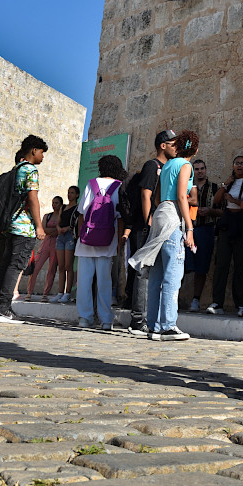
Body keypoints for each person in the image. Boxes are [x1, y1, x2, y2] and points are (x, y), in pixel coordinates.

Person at [129, 130, 196, 341]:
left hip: (160, 213)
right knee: (173, 274)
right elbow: (182, 197)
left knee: (157, 275)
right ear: (194, 148)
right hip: (172, 217)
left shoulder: (167, 165)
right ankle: (168, 325)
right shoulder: (185, 165)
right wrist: (190, 228)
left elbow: (157, 196)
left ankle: (154, 325)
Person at [0, 134, 48, 324]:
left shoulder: (16, 169)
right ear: (34, 150)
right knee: (15, 266)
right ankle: (3, 310)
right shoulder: (30, 170)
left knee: (4, 266)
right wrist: (38, 226)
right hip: (24, 228)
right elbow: (32, 198)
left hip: (10, 226)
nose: (43, 157)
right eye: (42, 152)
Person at [124, 129, 176, 335]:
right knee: (143, 272)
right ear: (163, 145)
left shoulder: (168, 167)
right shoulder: (151, 165)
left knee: (154, 272)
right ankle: (137, 320)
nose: (176, 147)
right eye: (173, 144)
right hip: (146, 226)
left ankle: (150, 318)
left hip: (159, 226)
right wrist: (148, 221)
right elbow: (146, 195)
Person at [75, 155, 127, 330]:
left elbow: (82, 212)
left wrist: (81, 236)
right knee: (105, 281)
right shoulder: (118, 186)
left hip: (87, 239)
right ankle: (106, 319)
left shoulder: (92, 184)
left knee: (84, 281)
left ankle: (85, 317)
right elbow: (120, 217)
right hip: (108, 239)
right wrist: (119, 241)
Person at [206, 155, 243, 315]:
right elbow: (216, 201)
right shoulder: (229, 183)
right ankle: (217, 302)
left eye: (242, 164)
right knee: (221, 264)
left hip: (242, 223)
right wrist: (225, 185)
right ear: (233, 165)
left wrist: (233, 200)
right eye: (237, 163)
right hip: (227, 223)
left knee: (240, 265)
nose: (239, 166)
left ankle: (241, 303)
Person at [185, 159, 222, 311]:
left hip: (206, 229)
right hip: (188, 229)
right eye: (197, 169)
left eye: (202, 168)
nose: (200, 171)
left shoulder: (214, 188)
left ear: (206, 170)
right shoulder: (187, 186)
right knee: (182, 265)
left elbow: (222, 211)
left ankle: (196, 299)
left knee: (202, 267)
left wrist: (210, 211)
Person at [49, 186, 79, 304]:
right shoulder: (63, 207)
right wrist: (58, 228)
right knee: (60, 266)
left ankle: (67, 293)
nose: (69, 195)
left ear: (77, 195)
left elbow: (77, 223)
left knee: (68, 266)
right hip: (61, 237)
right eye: (68, 192)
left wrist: (67, 228)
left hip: (70, 236)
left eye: (72, 193)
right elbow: (58, 221)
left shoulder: (77, 208)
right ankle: (60, 293)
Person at [29, 196, 62, 300]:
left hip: (56, 244)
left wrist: (51, 231)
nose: (54, 205)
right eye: (53, 202)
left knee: (51, 269)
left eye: (56, 203)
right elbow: (44, 229)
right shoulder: (47, 216)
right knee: (35, 267)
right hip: (45, 243)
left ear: (60, 204)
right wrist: (53, 231)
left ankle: (45, 294)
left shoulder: (61, 216)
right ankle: (29, 292)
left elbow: (58, 230)